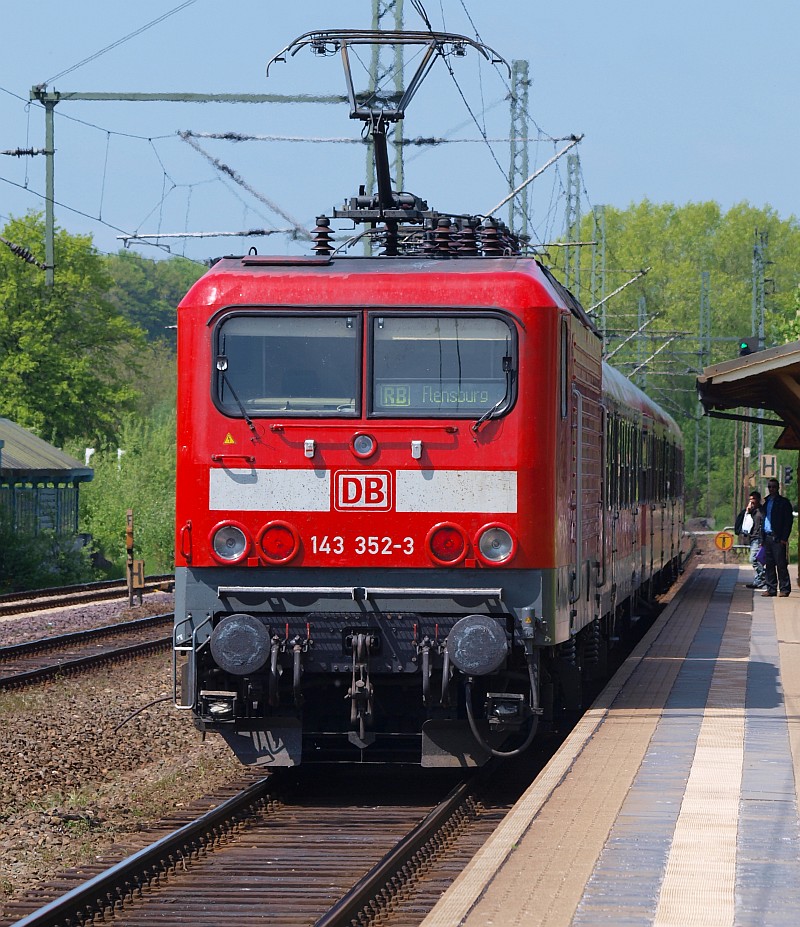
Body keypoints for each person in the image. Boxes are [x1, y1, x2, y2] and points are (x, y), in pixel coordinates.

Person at [760, 478, 794, 597]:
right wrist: (762, 539)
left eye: (774, 487)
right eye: (769, 487)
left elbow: (788, 521)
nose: (771, 489)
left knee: (781, 564)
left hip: (778, 538)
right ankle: (771, 588)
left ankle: (784, 588)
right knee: (769, 564)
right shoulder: (766, 502)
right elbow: (763, 520)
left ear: (778, 488)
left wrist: (784, 538)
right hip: (767, 537)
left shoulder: (783, 503)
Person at [735, 490, 765, 589]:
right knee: (758, 561)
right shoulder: (750, 512)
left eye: (753, 500)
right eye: (750, 500)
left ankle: (765, 576)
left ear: (758, 500)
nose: (751, 502)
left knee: (753, 559)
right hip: (752, 538)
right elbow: (745, 524)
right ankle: (758, 582)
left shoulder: (762, 511)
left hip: (759, 538)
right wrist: (747, 512)